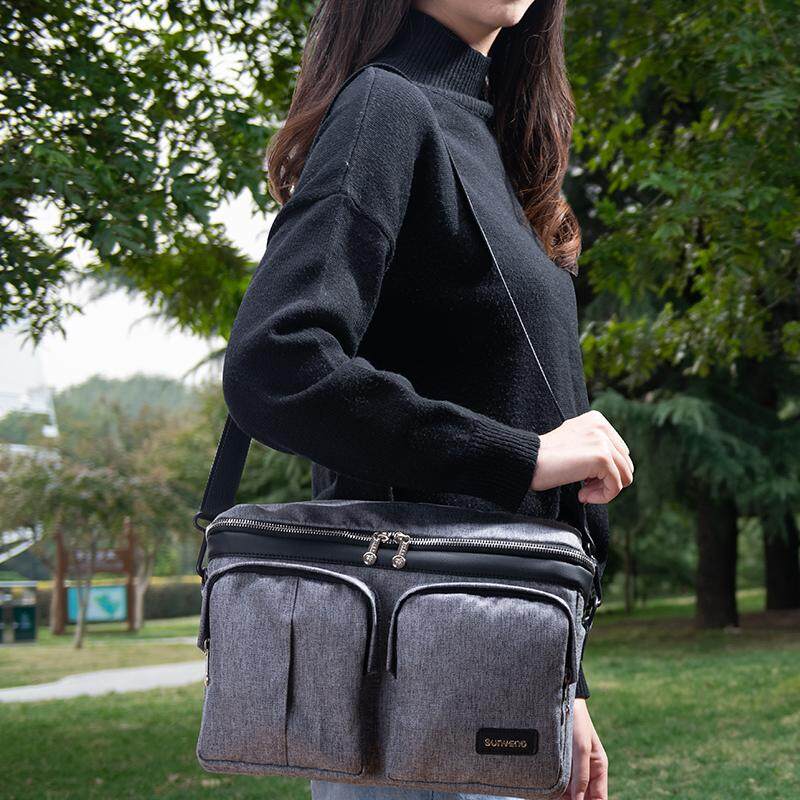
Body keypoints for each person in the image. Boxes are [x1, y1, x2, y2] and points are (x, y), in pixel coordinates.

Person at [221, 2, 634, 799]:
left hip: (507, 659)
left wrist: (567, 687)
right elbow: (276, 365)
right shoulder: (387, 105)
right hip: (412, 671)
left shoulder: (494, 141)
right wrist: (521, 456)